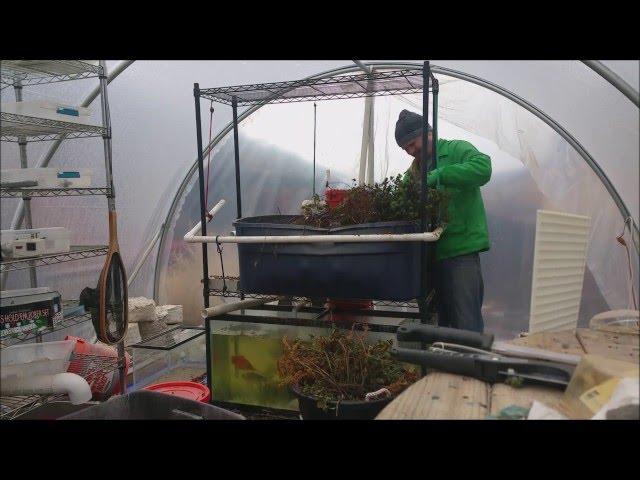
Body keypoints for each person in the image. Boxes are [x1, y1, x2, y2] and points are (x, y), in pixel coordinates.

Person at [395, 109, 491, 333]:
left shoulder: (457, 150)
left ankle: (470, 366)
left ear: (427, 132)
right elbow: (399, 199)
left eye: (412, 143)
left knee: (466, 325)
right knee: (441, 324)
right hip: (431, 256)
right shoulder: (413, 173)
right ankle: (445, 366)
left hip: (460, 252)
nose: (410, 151)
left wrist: (442, 174)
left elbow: (484, 168)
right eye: (405, 148)